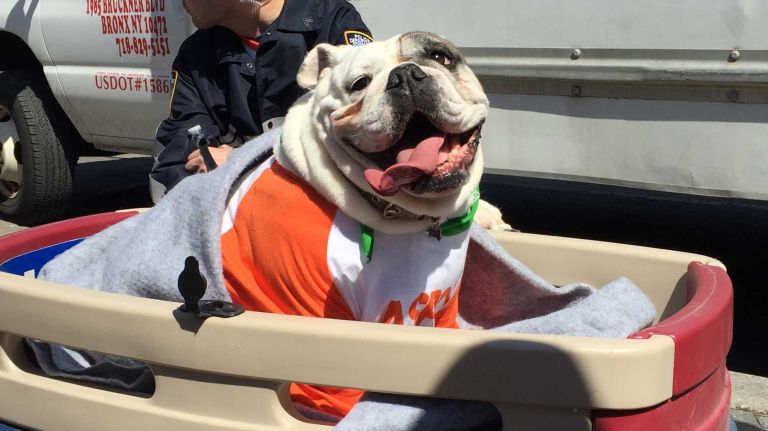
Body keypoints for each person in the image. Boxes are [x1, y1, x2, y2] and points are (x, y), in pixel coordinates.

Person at [149, 0, 372, 201]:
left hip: (324, 210)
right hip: (240, 213)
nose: (181, 4)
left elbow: (357, 131)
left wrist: (241, 161)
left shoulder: (331, 22)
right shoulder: (195, 54)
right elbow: (180, 150)